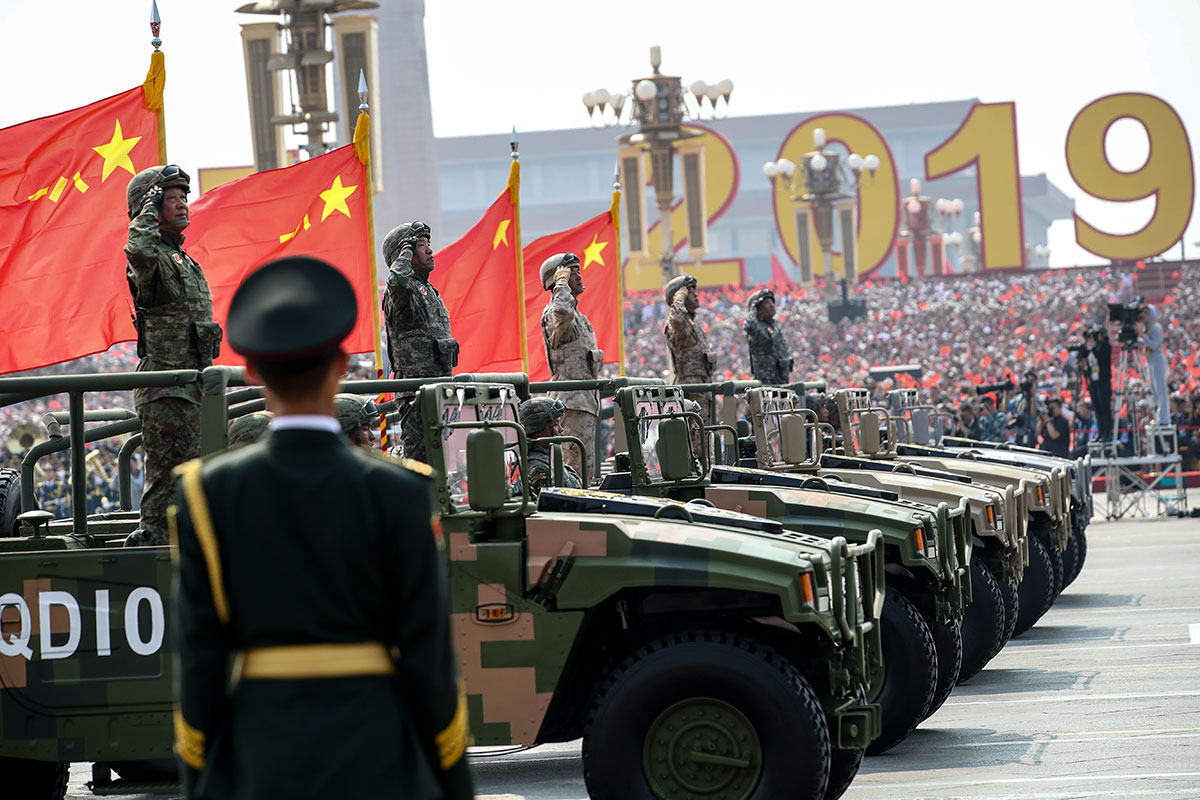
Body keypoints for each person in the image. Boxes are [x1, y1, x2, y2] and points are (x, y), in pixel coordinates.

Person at [170, 256, 473, 800]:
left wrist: (203, 782)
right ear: (341, 365)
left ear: (253, 372)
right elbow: (430, 663)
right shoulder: (401, 491)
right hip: (377, 759)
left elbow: (199, 666)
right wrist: (453, 784)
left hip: (260, 762)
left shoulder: (206, 494)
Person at [123, 165, 221, 547]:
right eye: (171, 197)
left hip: (193, 388)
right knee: (167, 485)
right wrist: (147, 211)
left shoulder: (183, 260)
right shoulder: (152, 260)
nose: (182, 204)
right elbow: (138, 249)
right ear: (149, 205)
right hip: (165, 391)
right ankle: (154, 556)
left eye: (184, 197)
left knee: (194, 483)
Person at [381, 220, 457, 464]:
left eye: (428, 244)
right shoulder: (402, 292)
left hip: (440, 391)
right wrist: (405, 250)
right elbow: (396, 281)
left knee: (445, 464)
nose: (430, 250)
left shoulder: (428, 290)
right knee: (421, 464)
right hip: (417, 396)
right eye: (421, 245)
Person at [540, 252, 602, 481]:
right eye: (570, 271)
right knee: (573, 472)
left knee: (586, 473)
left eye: (577, 270)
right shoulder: (556, 314)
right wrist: (561, 282)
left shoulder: (579, 318)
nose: (578, 275)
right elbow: (562, 311)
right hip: (571, 405)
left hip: (585, 404)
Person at [516, 397, 583, 500]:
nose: (561, 429)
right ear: (537, 429)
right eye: (555, 424)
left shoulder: (549, 459)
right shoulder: (539, 468)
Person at [744, 288, 792, 385]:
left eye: (772, 302)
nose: (771, 305)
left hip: (781, 383)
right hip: (767, 385)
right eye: (766, 303)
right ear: (758, 308)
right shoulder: (758, 328)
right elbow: (749, 326)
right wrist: (753, 309)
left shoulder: (773, 328)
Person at [1082, 327, 1114, 444]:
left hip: (1103, 380)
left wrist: (1092, 346)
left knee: (1104, 407)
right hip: (1094, 380)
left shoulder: (1106, 346)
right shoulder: (1093, 348)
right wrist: (1086, 344)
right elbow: (1084, 354)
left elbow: (1099, 355)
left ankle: (1107, 433)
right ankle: (1101, 432)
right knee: (1097, 408)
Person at [1139, 305, 1170, 424]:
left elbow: (1154, 344)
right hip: (1151, 361)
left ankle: (1164, 418)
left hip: (1157, 360)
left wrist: (1143, 336)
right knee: (1155, 389)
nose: (1144, 316)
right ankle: (1159, 416)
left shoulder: (1156, 327)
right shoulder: (1147, 329)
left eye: (1146, 313)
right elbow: (1145, 343)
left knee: (1161, 390)